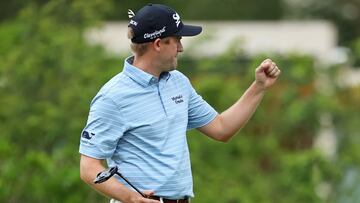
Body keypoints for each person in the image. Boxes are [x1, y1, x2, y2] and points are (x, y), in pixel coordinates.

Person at [79, 3, 281, 203]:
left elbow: (221, 128)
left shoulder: (178, 82)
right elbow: (89, 167)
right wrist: (130, 198)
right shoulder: (113, 97)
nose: (181, 48)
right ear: (158, 44)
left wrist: (258, 87)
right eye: (177, 40)